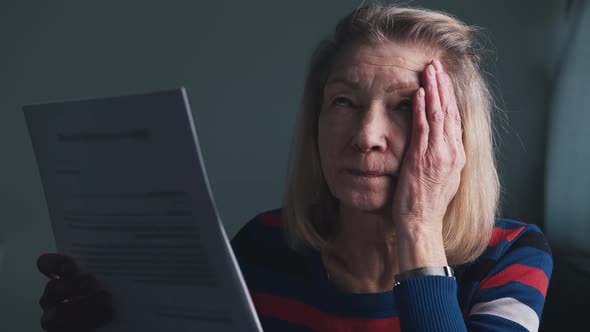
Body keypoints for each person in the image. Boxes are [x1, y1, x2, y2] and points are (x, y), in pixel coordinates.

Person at [36, 4, 553, 332]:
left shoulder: (510, 258)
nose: (366, 137)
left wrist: (418, 226)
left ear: (455, 135)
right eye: (344, 102)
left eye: (403, 106)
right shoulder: (264, 244)